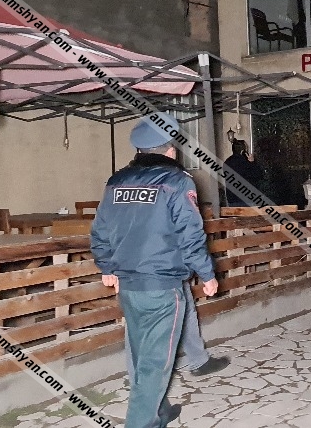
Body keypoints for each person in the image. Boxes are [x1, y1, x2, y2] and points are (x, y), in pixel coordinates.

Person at [90, 114, 224, 428]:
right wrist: (207, 274)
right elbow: (191, 235)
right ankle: (142, 422)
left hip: (128, 285)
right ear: (171, 150)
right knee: (156, 362)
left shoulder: (116, 182)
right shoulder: (177, 182)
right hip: (162, 285)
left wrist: (106, 265)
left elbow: (100, 230)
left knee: (140, 355)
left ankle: (158, 411)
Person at [224, 139, 264, 206]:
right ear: (243, 151)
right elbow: (258, 175)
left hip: (232, 198)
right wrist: (252, 162)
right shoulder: (245, 162)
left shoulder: (227, 162)